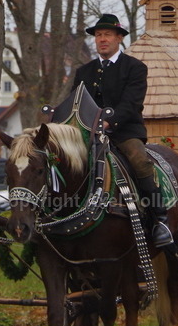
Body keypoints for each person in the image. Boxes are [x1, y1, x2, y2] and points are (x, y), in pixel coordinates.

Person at [70, 13, 171, 247]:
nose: (102, 39)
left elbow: (131, 104)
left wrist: (107, 123)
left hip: (125, 132)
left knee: (139, 160)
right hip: (89, 133)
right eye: (98, 35)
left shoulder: (135, 68)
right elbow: (75, 103)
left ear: (119, 38)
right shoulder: (83, 72)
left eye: (107, 34)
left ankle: (160, 219)